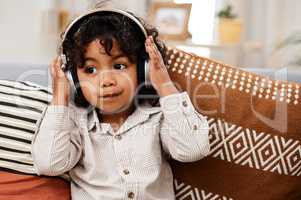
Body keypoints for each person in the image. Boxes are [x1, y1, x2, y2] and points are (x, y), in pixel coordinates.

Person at [32, 7, 210, 200]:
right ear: (73, 78)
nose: (106, 80)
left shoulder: (157, 118)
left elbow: (193, 149)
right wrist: (60, 98)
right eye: (90, 70)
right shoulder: (77, 124)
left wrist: (165, 86)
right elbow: (49, 163)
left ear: (145, 69)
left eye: (119, 66)